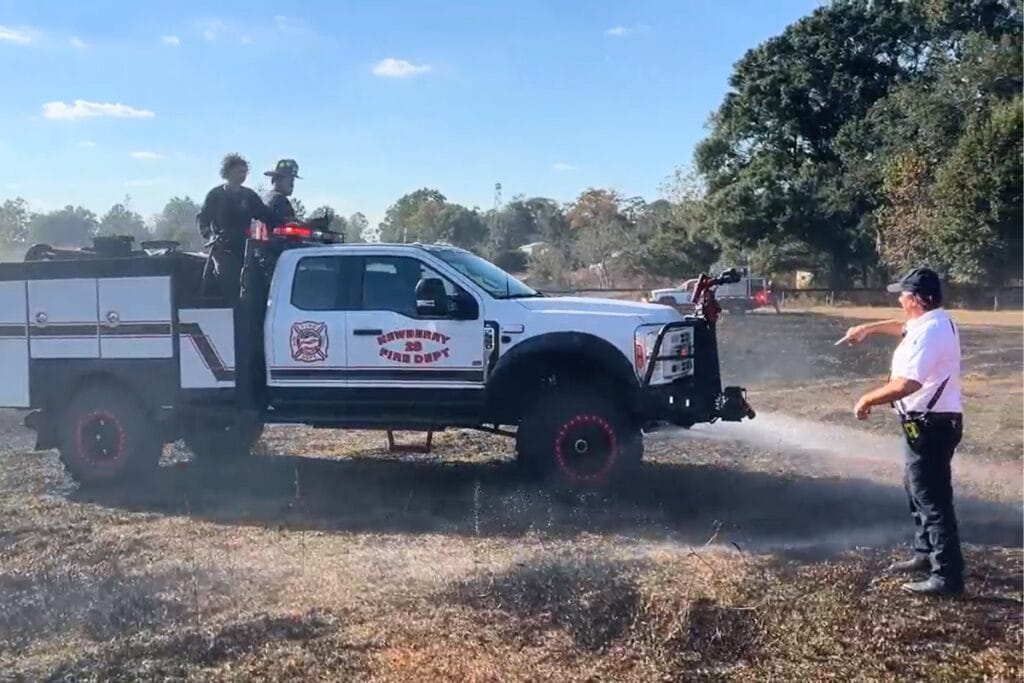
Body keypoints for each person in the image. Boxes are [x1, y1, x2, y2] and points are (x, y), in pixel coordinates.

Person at [841, 268, 964, 596]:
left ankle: (947, 577)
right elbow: (901, 327)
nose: (898, 299)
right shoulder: (931, 322)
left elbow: (908, 383)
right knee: (915, 487)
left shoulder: (931, 332)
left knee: (932, 498)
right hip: (926, 424)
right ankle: (925, 554)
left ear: (916, 299)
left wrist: (867, 399)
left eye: (903, 294)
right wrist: (868, 328)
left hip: (932, 426)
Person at [197, 153, 277, 300]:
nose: (242, 175)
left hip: (245, 246)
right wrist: (210, 236)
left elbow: (266, 215)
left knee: (252, 281)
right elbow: (203, 220)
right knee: (228, 280)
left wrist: (285, 225)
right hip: (222, 247)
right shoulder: (215, 195)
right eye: (238, 171)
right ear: (227, 173)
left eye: (244, 172)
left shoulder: (249, 195)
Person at [263, 159, 303, 227]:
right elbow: (290, 225)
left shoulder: (263, 198)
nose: (292, 184)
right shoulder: (279, 200)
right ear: (276, 179)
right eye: (289, 178)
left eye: (293, 179)